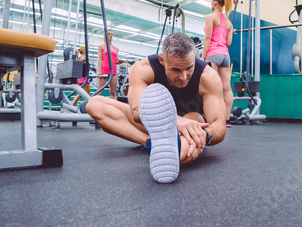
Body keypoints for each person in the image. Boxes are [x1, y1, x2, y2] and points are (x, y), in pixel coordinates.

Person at [86, 33, 227, 183]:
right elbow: (137, 112)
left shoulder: (208, 76)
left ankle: (175, 149)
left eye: (189, 68)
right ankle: (151, 143)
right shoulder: (143, 69)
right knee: (94, 104)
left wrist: (204, 136)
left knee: (194, 119)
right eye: (175, 70)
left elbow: (219, 125)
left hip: (190, 128)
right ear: (162, 60)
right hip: (153, 124)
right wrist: (174, 120)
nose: (183, 77)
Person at [201, 0, 234, 127]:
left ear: (215, 2)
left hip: (213, 54)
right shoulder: (229, 22)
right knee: (226, 88)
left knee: (212, 89)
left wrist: (203, 57)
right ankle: (226, 119)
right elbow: (228, 42)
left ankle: (213, 118)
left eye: (211, 1)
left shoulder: (211, 17)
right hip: (225, 56)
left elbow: (207, 38)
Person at [97, 29, 126, 99]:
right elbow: (99, 60)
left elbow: (116, 61)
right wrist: (99, 71)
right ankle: (94, 108)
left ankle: (114, 108)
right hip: (104, 71)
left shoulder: (116, 48)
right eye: (108, 34)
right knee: (99, 92)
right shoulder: (101, 46)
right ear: (104, 36)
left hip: (114, 71)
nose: (110, 35)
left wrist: (124, 61)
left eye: (111, 34)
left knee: (113, 93)